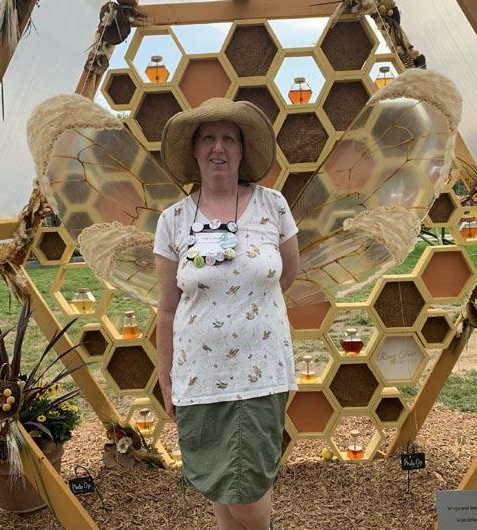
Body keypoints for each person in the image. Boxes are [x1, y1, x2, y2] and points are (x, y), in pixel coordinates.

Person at [153, 97, 299, 530]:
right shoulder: (173, 220)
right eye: (209, 138)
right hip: (200, 376)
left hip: (260, 372)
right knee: (218, 488)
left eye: (229, 139)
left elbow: (287, 275)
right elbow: (167, 308)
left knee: (248, 494)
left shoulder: (273, 206)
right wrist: (166, 380)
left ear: (242, 150)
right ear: (195, 150)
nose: (218, 148)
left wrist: (245, 311)